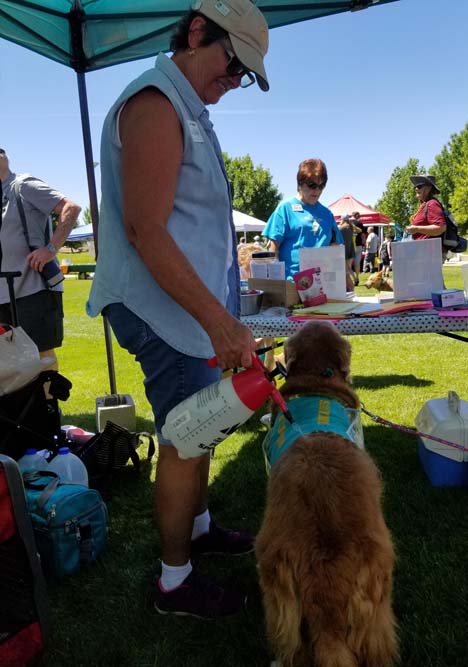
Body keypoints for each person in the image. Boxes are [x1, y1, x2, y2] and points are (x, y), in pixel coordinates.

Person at [86, 0, 270, 619]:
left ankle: (199, 529)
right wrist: (219, 322)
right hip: (163, 311)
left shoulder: (187, 105)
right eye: (233, 63)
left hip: (187, 311)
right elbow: (145, 229)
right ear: (196, 33)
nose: (235, 80)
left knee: (203, 424)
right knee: (185, 439)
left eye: (245, 74)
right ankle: (174, 581)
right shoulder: (156, 103)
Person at [0, 148, 81, 369]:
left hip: (33, 289)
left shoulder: (23, 185)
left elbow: (71, 208)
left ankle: (48, 394)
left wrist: (50, 249)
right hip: (3, 293)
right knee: (8, 361)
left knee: (41, 356)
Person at [262, 159, 343, 279]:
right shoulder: (285, 209)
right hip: (291, 282)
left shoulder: (327, 214)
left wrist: (344, 273)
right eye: (312, 185)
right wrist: (275, 280)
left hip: (322, 282)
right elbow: (273, 247)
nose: (317, 190)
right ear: (300, 184)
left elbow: (335, 247)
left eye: (321, 186)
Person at [407, 174, 447, 258]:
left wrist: (416, 229)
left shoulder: (432, 204)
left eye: (419, 186)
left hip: (429, 254)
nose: (416, 188)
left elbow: (441, 228)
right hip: (422, 253)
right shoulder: (424, 204)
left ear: (429, 188)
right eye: (415, 186)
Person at [338, 214, 356, 288]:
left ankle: (352, 281)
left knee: (346, 268)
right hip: (350, 248)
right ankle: (355, 278)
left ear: (342, 219)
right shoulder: (351, 226)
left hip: (344, 249)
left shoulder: (340, 228)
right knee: (349, 267)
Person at [351, 211, 364, 285]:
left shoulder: (347, 223)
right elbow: (363, 235)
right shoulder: (360, 223)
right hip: (358, 245)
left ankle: (353, 278)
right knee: (357, 263)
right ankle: (357, 278)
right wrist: (363, 244)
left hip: (350, 245)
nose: (359, 217)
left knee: (348, 264)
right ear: (356, 215)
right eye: (359, 215)